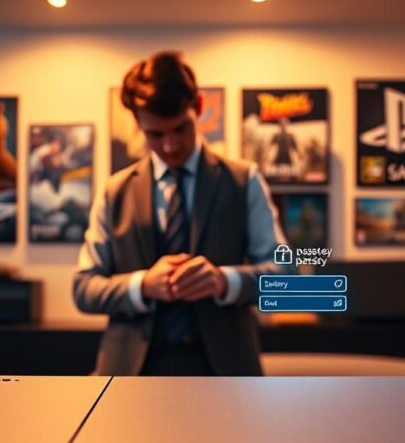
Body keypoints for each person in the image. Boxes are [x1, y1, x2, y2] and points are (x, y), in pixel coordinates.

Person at [73, 51, 288, 376]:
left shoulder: (244, 181)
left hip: (225, 374)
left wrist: (223, 281)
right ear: (138, 124)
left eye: (180, 129)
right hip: (128, 376)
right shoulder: (114, 191)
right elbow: (84, 288)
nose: (171, 145)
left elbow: (286, 278)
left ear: (198, 108)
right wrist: (142, 285)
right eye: (155, 135)